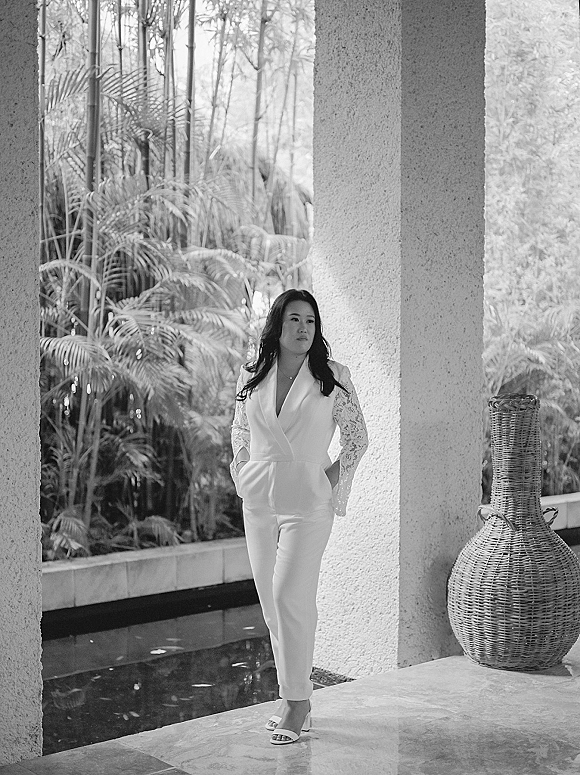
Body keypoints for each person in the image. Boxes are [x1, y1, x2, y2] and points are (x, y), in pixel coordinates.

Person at [230, 289, 368, 745]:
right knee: (272, 606)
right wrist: (244, 471)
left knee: (291, 595)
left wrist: (325, 482)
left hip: (307, 505)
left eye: (310, 320)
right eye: (295, 319)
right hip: (260, 501)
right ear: (279, 324)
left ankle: (298, 702)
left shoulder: (333, 376)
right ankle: (292, 697)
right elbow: (239, 429)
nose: (304, 328)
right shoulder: (254, 375)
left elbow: (357, 438)